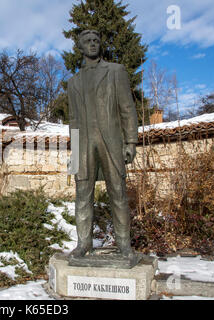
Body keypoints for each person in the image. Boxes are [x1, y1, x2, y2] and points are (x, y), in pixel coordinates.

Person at [67, 30, 138, 259]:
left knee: (118, 193)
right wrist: (74, 152)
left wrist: (130, 141)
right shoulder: (73, 82)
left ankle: (124, 244)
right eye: (87, 41)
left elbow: (127, 108)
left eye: (96, 41)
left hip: (111, 143)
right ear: (80, 47)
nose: (92, 44)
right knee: (82, 195)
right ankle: (83, 243)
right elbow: (73, 120)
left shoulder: (115, 72)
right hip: (84, 145)